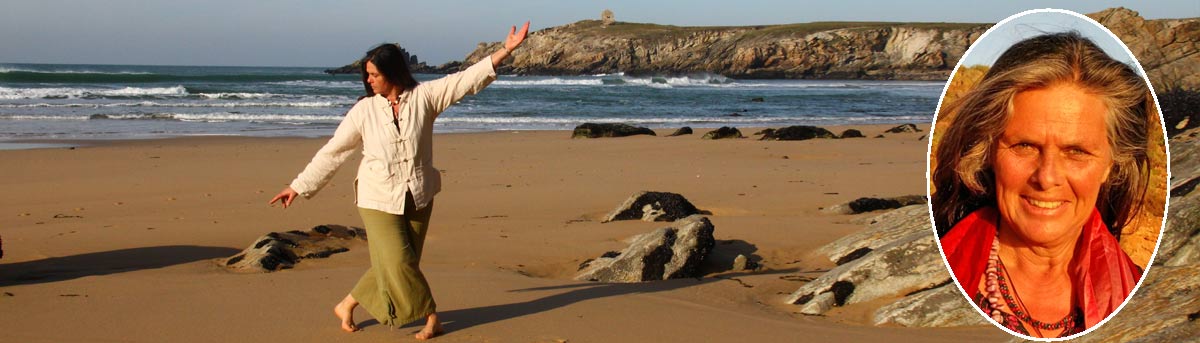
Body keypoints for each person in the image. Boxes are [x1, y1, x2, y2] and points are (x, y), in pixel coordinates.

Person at [269, 21, 530, 340]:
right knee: (399, 261)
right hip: (377, 199)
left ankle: (348, 303)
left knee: (398, 264)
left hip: (419, 196)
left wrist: (505, 50)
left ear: (392, 73)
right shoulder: (363, 111)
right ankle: (431, 317)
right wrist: (298, 185)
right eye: (367, 74)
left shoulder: (426, 97)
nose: (368, 80)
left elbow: (466, 80)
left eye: (374, 74)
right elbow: (333, 152)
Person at [932, 32, 1154, 338]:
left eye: (1076, 152)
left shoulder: (1146, 301)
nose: (1046, 177)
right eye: (1025, 146)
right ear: (988, 153)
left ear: (1110, 166)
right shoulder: (931, 272)